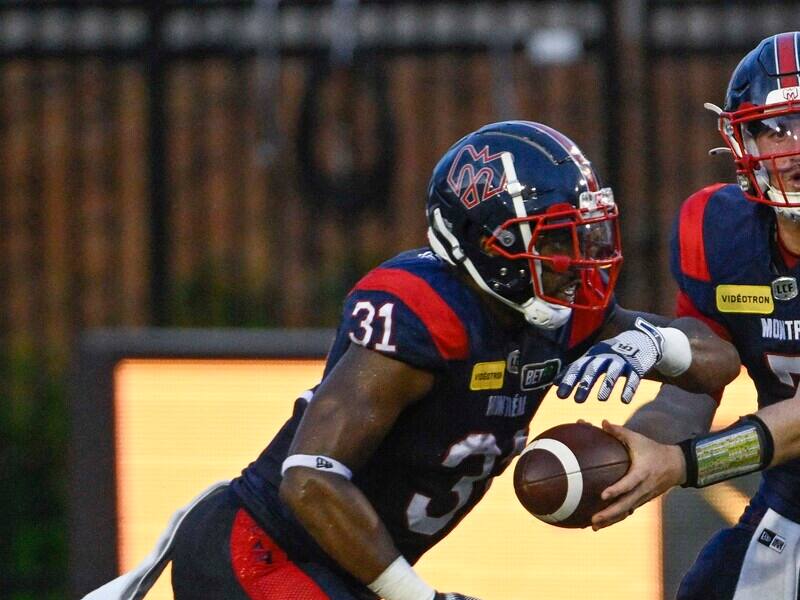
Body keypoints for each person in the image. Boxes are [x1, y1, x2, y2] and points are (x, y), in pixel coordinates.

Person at [83, 121, 739, 600]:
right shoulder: (426, 311)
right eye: (555, 241)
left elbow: (719, 362)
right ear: (488, 245)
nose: (577, 262)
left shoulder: (562, 311)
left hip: (345, 575)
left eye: (581, 235)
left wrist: (658, 343)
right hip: (259, 553)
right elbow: (309, 478)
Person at [590, 32, 800, 600]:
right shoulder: (717, 229)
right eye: (776, 128)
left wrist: (680, 464)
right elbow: (690, 397)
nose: (795, 147)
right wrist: (626, 454)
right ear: (742, 140)